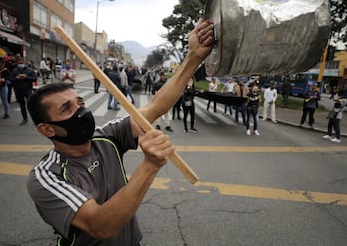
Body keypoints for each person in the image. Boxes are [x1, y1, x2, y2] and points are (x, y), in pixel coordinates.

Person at [25, 19, 214, 245]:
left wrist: (194, 57)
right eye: (67, 109)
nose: (81, 111)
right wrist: (150, 165)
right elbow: (100, 226)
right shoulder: (46, 176)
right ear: (46, 129)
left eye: (80, 103)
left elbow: (155, 107)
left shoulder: (106, 137)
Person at [11, 56, 37, 125]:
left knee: (30, 105)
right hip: (19, 90)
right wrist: (16, 78)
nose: (20, 64)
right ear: (17, 63)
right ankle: (24, 119)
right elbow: (11, 80)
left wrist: (26, 77)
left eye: (22, 62)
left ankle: (35, 119)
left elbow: (34, 79)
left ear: (24, 62)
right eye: (19, 63)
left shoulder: (30, 70)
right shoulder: (15, 70)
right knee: (22, 105)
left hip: (28, 89)